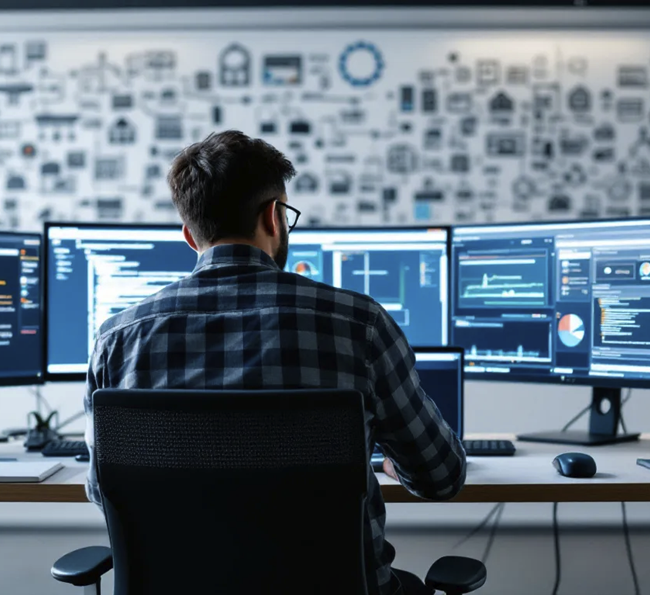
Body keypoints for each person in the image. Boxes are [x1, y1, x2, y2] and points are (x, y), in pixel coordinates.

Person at [84, 130, 466, 595]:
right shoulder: (360, 324)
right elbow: (441, 477)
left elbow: (104, 492)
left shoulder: (116, 340)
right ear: (274, 216)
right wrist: (387, 462)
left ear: (189, 235)